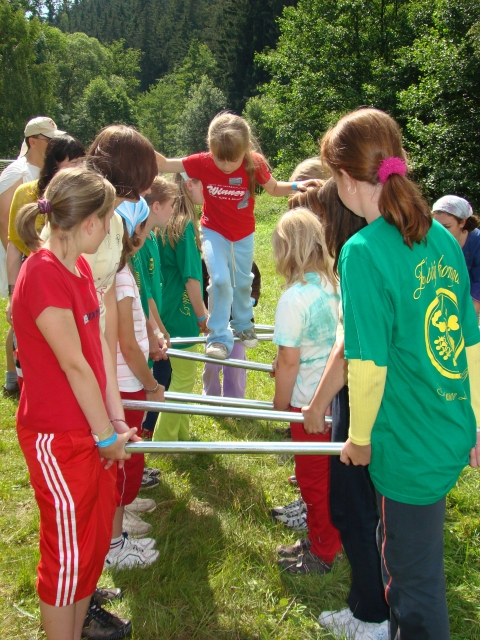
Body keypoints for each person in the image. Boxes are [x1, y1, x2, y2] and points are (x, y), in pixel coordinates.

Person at [320, 107, 480, 639]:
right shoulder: (441, 236)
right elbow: (469, 339)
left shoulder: (363, 252)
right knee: (414, 565)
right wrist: (476, 421)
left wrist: (360, 437)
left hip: (408, 444)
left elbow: (367, 362)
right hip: (447, 428)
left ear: (347, 179)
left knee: (413, 587)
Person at [12, 167, 135, 640]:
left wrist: (114, 421)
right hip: (58, 439)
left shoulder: (79, 267)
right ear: (89, 223)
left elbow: (98, 350)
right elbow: (74, 365)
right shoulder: (42, 274)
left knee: (91, 544)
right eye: (108, 220)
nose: (109, 230)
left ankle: (78, 626)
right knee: (66, 555)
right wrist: (105, 436)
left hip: (91, 431)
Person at [299, 181, 388, 640]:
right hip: (382, 395)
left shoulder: (359, 254)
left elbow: (349, 347)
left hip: (363, 399)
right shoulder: (395, 242)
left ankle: (373, 615)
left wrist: (316, 406)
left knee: (354, 509)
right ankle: (370, 602)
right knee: (366, 508)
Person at [155, 112, 307, 360]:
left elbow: (273, 188)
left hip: (243, 234)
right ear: (210, 148)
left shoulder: (253, 163)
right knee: (220, 281)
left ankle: (243, 323)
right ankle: (218, 337)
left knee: (243, 281)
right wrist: (139, 147)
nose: (225, 166)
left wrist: (295, 186)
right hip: (214, 231)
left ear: (245, 149)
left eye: (232, 160)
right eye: (220, 159)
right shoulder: (202, 162)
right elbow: (164, 164)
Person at [271, 207, 342, 575]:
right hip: (339, 400)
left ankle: (324, 551)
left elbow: (288, 361)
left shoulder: (294, 298)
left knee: (314, 483)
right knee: (331, 479)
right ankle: (324, 537)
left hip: (309, 405)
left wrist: (279, 405)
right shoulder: (335, 284)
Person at [104, 198, 164, 571]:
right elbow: (127, 344)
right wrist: (152, 385)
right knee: (124, 457)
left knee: (130, 456)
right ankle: (118, 523)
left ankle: (123, 506)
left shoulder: (120, 270)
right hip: (126, 385)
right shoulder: (121, 277)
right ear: (135, 231)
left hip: (127, 382)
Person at [5, 135, 86, 391]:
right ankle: (20, 384)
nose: (80, 168)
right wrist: (13, 295)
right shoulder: (26, 193)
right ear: (54, 163)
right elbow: (14, 247)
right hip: (36, 281)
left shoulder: (85, 196)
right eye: (73, 162)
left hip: (72, 282)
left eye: (82, 162)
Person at [0, 116, 64, 397]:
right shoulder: (17, 173)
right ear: (33, 141)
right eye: (49, 140)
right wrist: (19, 267)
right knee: (20, 318)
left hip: (39, 257)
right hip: (21, 256)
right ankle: (13, 376)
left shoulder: (46, 172)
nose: (54, 145)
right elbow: (6, 222)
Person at [152, 172, 207, 442]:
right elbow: (191, 277)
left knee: (181, 376)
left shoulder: (164, 223)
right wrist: (201, 315)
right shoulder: (184, 225)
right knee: (184, 379)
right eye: (206, 183)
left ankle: (181, 434)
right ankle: (163, 440)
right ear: (189, 185)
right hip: (182, 312)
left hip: (164, 307)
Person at [139, 177, 178, 438]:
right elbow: (146, 295)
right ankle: (144, 427)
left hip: (151, 324)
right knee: (157, 375)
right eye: (171, 205)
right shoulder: (139, 243)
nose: (173, 211)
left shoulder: (152, 237)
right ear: (155, 206)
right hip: (141, 326)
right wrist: (157, 331)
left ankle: (147, 427)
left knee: (164, 372)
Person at [202, 259, 261, 398]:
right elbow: (200, 290)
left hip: (238, 325)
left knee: (236, 365)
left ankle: (234, 399)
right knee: (212, 364)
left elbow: (255, 286)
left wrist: (251, 299)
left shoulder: (246, 262)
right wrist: (204, 313)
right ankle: (210, 397)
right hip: (215, 324)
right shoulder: (207, 262)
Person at [432, 195, 480, 313]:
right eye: (435, 226)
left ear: (463, 222)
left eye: (446, 227)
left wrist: (466, 317)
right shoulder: (430, 240)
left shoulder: (477, 242)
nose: (440, 232)